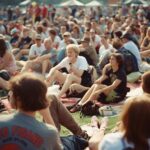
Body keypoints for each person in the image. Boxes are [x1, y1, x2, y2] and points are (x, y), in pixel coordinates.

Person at [0, 73, 62, 150]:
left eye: (12, 91)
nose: (10, 94)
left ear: (18, 98)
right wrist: (47, 115)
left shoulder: (1, 122)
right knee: (75, 141)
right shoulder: (49, 132)